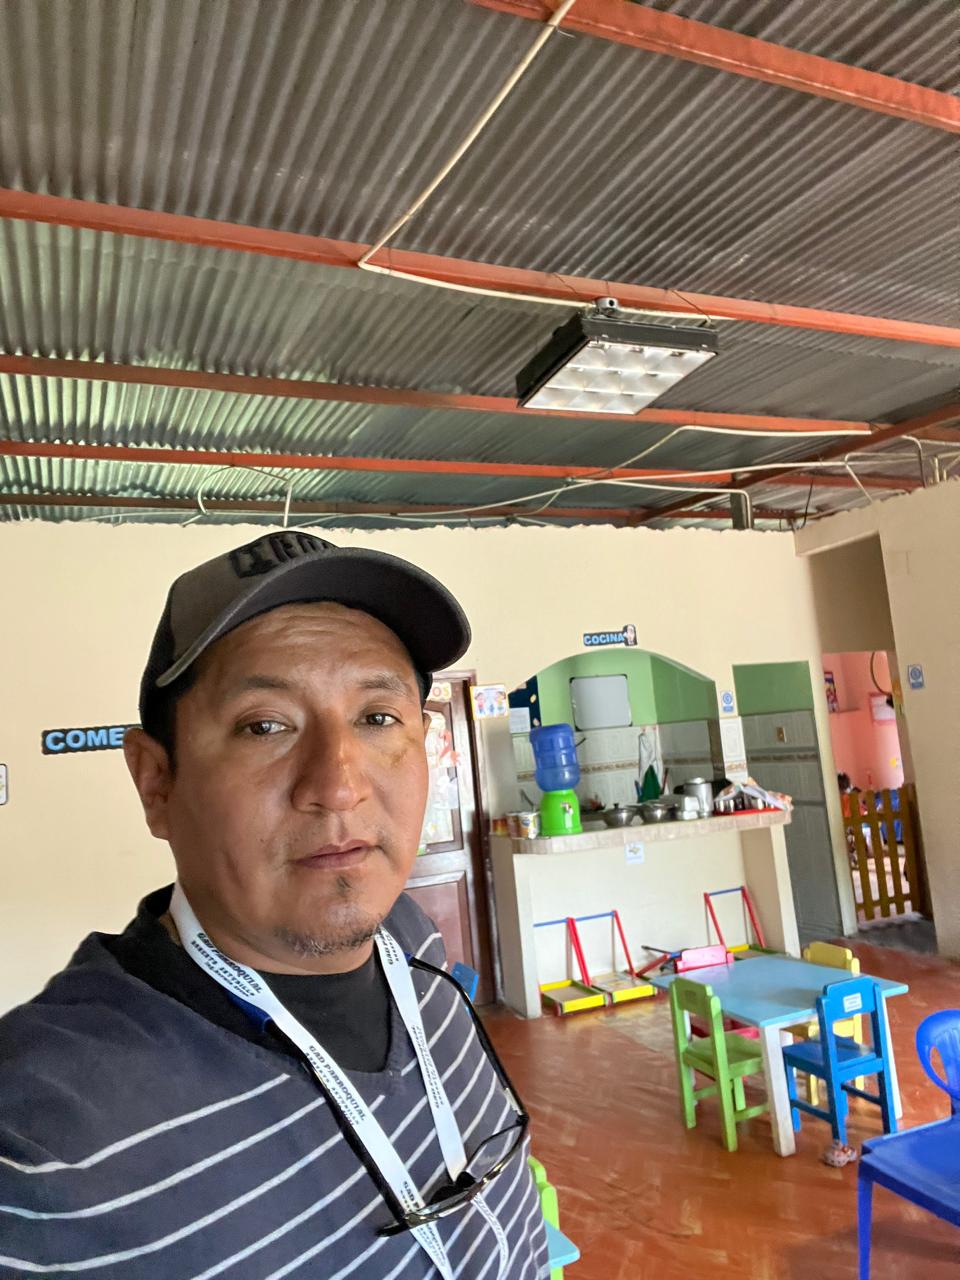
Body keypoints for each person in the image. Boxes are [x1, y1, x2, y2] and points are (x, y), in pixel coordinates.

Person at [0, 532, 548, 1279]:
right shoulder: (41, 1136)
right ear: (156, 782)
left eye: (378, 717)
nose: (339, 786)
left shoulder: (412, 945)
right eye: (265, 725)